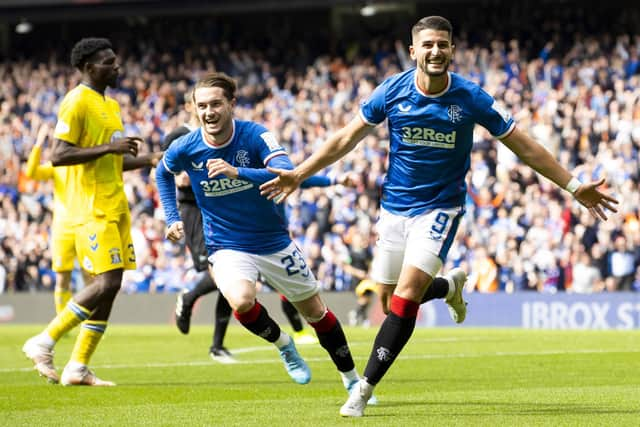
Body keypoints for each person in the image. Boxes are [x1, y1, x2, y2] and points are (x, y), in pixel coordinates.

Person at [259, 16, 619, 417]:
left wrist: (573, 185)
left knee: (406, 295)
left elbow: (524, 146)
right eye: (427, 45)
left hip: (440, 207)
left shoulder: (470, 97)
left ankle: (363, 388)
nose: (435, 51)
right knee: (387, 294)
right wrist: (300, 173)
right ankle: (448, 287)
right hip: (393, 208)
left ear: (451, 50)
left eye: (442, 45)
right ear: (413, 51)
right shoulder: (392, 92)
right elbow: (346, 137)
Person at [156, 72, 376, 402]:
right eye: (202, 106)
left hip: (273, 241)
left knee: (316, 313)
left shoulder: (256, 136)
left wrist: (237, 172)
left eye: (216, 104)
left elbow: (288, 172)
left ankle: (352, 380)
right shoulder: (185, 147)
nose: (209, 112)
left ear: (231, 104)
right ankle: (283, 344)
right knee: (242, 301)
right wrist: (172, 217)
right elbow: (162, 172)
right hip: (226, 243)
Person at [22, 37, 157, 386]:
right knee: (107, 281)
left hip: (116, 204)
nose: (116, 67)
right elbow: (59, 155)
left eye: (116, 60)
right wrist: (109, 146)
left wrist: (149, 160)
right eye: (109, 62)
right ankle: (45, 340)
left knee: (111, 286)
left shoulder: (109, 106)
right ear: (87, 67)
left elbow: (113, 159)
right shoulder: (76, 101)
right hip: (91, 208)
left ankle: (78, 366)